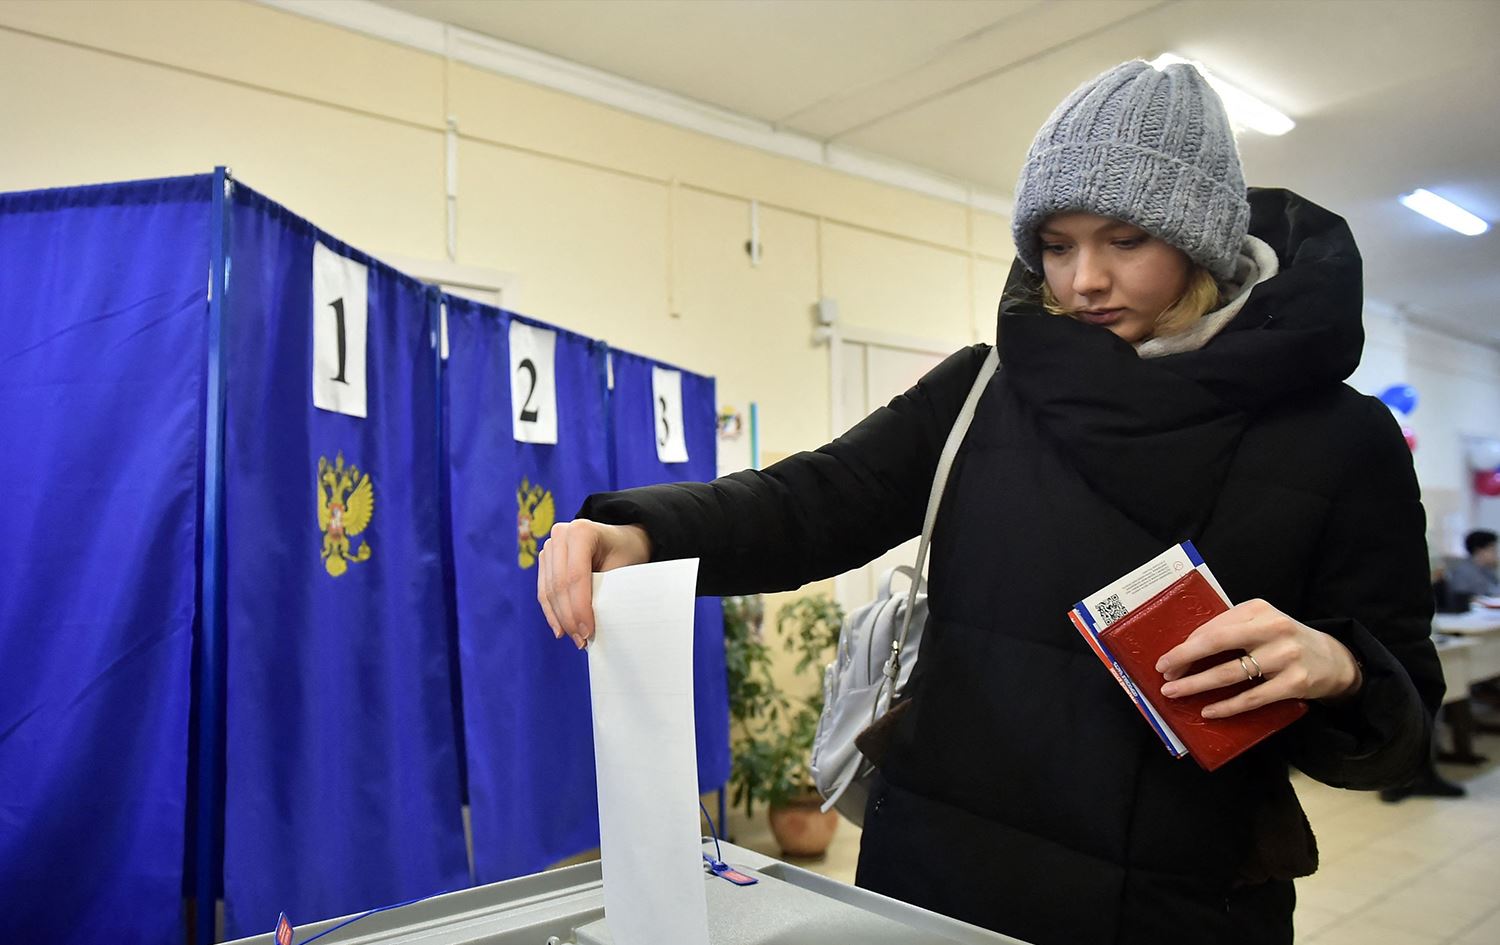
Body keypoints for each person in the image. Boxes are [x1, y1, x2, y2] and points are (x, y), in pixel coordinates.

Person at [538, 60, 1442, 945]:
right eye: (1057, 244)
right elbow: (813, 498)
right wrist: (644, 531)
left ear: (1199, 239)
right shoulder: (985, 390)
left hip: (1180, 902)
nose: (1083, 280)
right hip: (938, 874)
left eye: (1125, 240)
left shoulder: (1339, 439)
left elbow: (1399, 720)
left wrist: (1338, 666)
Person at [1445, 529, 1500, 604]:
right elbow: (1461, 598)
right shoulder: (1462, 572)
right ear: (1479, 551)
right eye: (1492, 550)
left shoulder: (1488, 570)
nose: (1496, 554)